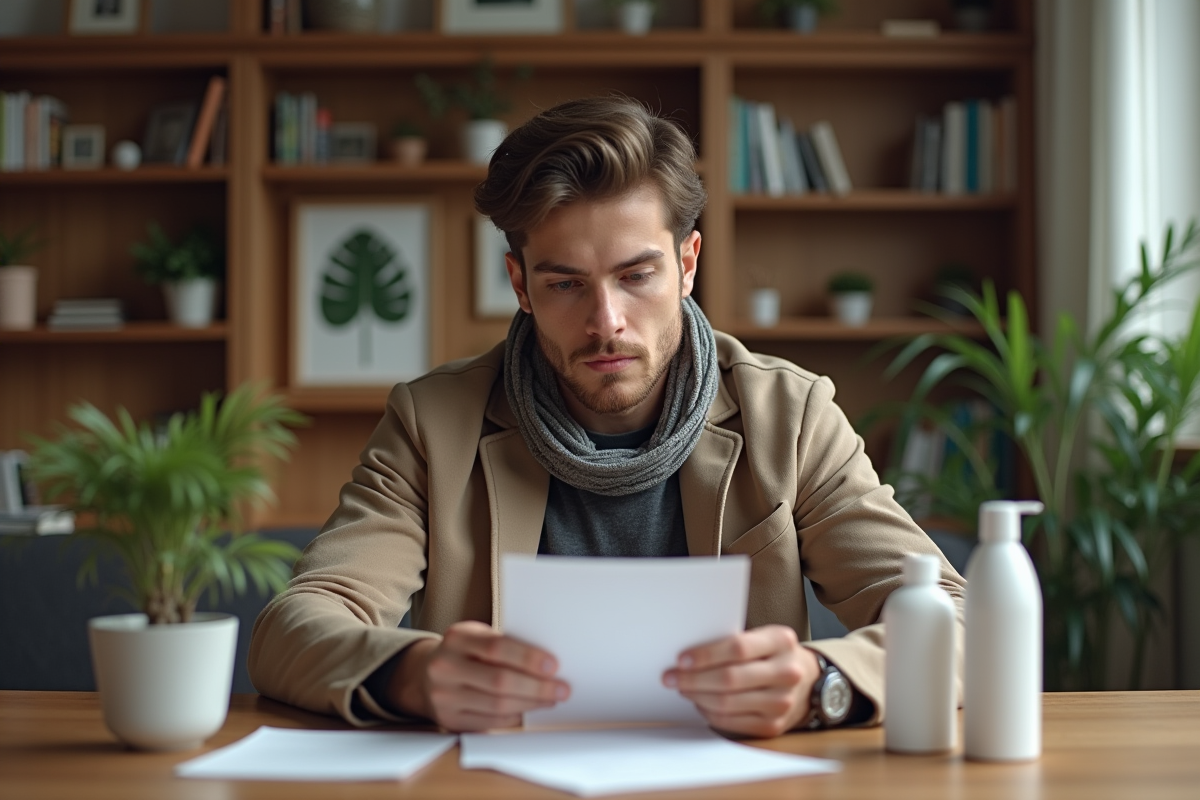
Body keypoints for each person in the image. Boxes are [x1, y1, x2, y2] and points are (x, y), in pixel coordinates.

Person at [249, 96, 967, 738]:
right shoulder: (432, 423)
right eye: (566, 283)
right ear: (520, 285)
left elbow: (959, 620)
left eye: (636, 275)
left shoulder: (793, 414)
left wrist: (822, 684)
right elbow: (292, 630)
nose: (606, 322)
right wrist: (412, 676)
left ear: (688, 264)